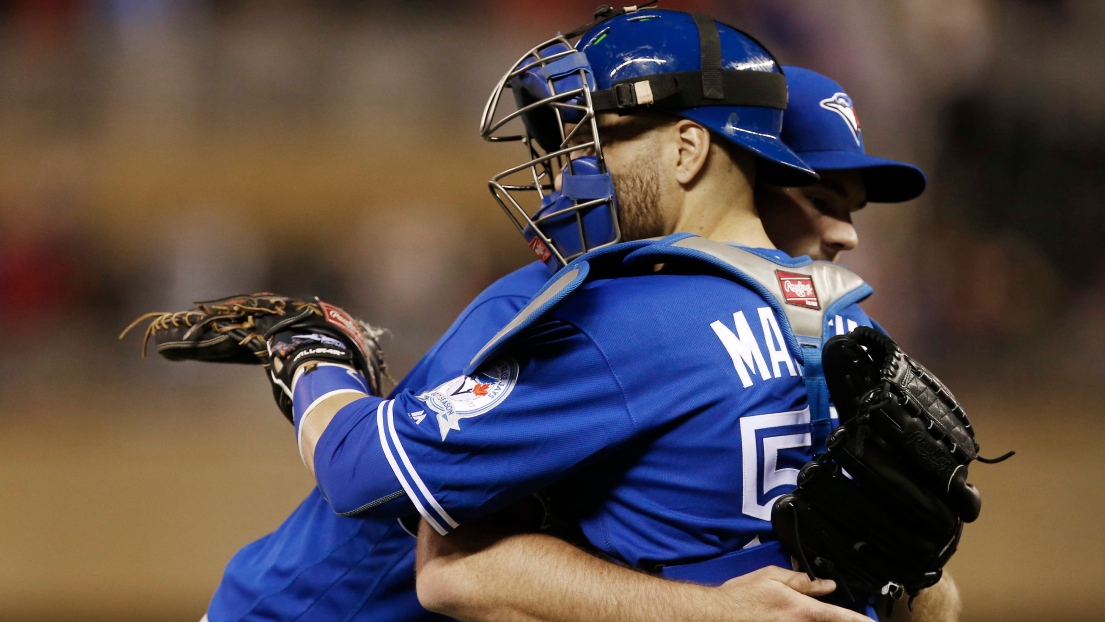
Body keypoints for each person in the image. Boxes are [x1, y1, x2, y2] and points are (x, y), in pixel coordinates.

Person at [198, 14, 935, 622]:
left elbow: (379, 489)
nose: (562, 171)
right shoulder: (855, 333)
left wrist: (313, 359)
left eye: (591, 139)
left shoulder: (616, 314)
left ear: (688, 150)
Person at [414, 66, 962, 622]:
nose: (848, 233)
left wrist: (919, 576)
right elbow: (450, 564)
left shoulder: (852, 342)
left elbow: (927, 602)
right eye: (820, 198)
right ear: (745, 174)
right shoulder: (586, 323)